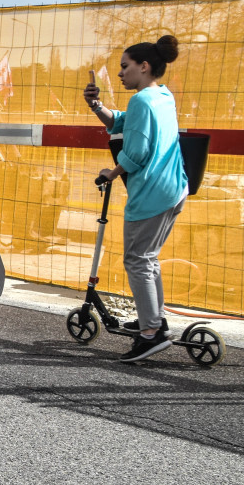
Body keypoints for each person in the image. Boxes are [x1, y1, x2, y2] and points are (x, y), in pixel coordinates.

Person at [83, 35, 188, 363]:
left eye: (125, 67)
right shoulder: (161, 95)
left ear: (144, 67)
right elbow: (120, 122)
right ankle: (155, 323)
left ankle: (151, 334)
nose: (120, 74)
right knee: (148, 258)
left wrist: (110, 173)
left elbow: (138, 152)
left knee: (137, 260)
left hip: (152, 194)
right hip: (174, 189)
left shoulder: (143, 100)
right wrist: (96, 106)